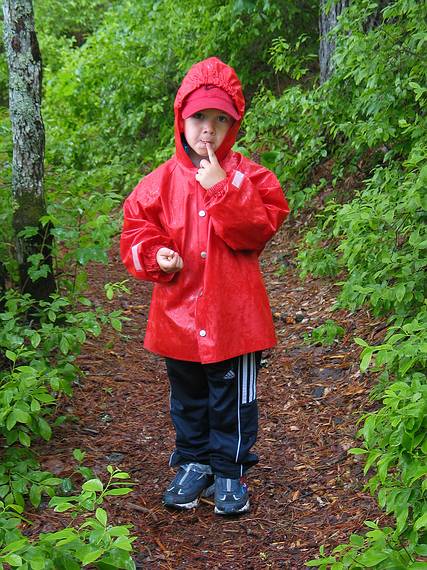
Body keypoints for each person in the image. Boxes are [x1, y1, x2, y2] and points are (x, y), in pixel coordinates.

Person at [120, 57, 289, 515]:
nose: (208, 130)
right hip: (178, 317)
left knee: (233, 398)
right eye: (198, 118)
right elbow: (135, 229)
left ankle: (230, 470)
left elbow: (256, 231)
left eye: (220, 119)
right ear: (181, 118)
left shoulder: (251, 178)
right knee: (189, 396)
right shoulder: (158, 183)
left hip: (235, 320)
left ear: (234, 124)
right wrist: (156, 253)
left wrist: (222, 189)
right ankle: (194, 462)